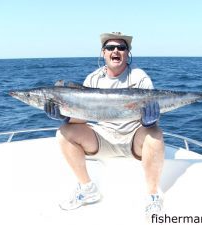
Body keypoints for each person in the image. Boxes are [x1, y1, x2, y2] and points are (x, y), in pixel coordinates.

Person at [44, 32, 164, 219]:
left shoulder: (140, 77)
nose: (115, 51)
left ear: (127, 53)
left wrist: (150, 121)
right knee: (64, 132)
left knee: (155, 134)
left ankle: (153, 196)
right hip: (103, 138)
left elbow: (151, 119)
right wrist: (65, 116)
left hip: (133, 138)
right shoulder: (93, 79)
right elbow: (82, 118)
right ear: (103, 53)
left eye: (121, 47)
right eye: (110, 48)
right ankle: (87, 188)